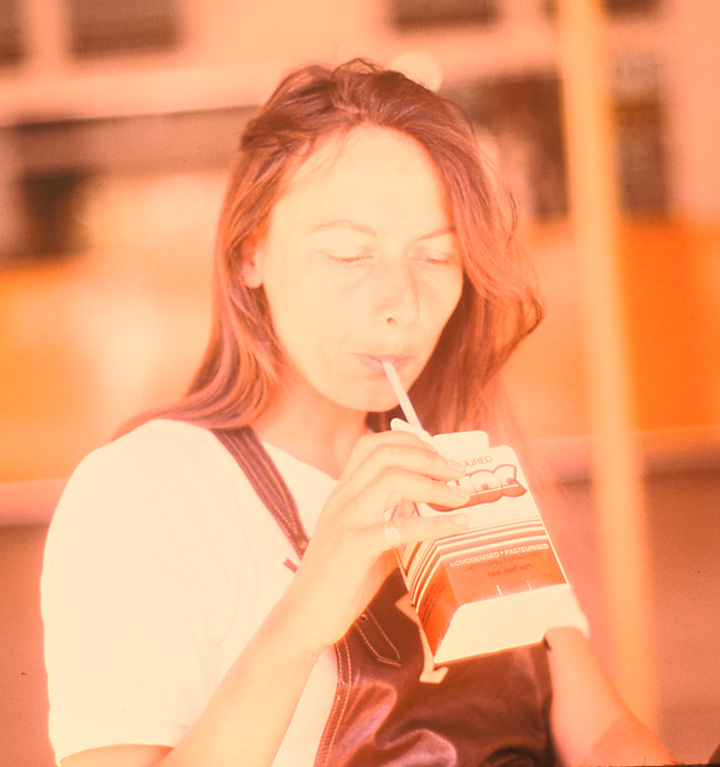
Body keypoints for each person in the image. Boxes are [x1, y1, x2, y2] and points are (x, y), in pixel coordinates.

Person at [41, 59, 676, 767]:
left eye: (436, 258)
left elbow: (602, 735)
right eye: (349, 254)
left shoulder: (462, 468)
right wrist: (306, 613)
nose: (398, 300)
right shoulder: (143, 491)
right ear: (251, 251)